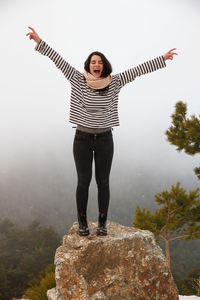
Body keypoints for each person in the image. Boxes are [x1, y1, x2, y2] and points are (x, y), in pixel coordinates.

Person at [26, 26, 177, 236]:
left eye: (100, 62)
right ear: (88, 65)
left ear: (105, 66)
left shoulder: (114, 83)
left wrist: (162, 58)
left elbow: (138, 70)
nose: (96, 64)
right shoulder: (77, 79)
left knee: (103, 182)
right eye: (93, 62)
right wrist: (39, 41)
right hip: (82, 139)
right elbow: (58, 60)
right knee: (83, 181)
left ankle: (103, 223)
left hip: (105, 138)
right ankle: (82, 223)